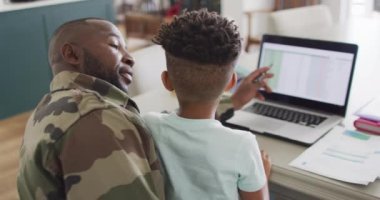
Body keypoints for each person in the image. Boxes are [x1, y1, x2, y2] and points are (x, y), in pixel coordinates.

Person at [17, 17, 272, 199]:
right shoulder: (96, 122)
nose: (130, 57)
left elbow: (183, 120)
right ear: (72, 54)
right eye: (115, 46)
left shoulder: (56, 107)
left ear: (166, 80)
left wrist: (233, 101)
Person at [142, 9, 272, 200]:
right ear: (231, 82)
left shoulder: (148, 124)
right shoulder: (243, 145)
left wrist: (234, 102)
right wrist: (262, 177)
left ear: (166, 81)